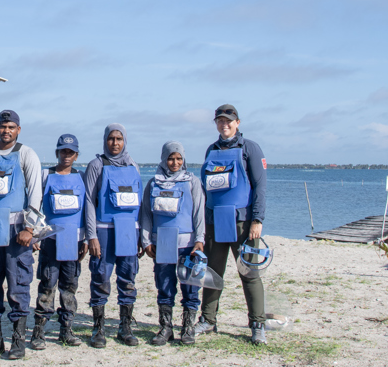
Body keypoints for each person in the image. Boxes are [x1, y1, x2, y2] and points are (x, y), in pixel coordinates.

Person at [196, 104, 269, 345]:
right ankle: (208, 320)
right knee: (212, 272)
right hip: (215, 222)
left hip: (242, 222)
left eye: (228, 120)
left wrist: (257, 219)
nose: (224, 124)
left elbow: (260, 186)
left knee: (249, 272)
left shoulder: (250, 148)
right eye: (219, 120)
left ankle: (257, 324)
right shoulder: (211, 150)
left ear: (238, 122)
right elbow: (205, 189)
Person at [0, 110, 43, 360]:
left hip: (17, 231)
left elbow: (36, 193)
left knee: (18, 285)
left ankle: (18, 340)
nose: (7, 131)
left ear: (19, 130)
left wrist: (30, 229)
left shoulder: (27, 154)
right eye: (3, 126)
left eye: (12, 127)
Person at [139, 141, 205, 346]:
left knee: (190, 287)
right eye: (170, 158)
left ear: (183, 160)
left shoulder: (192, 182)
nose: (174, 162)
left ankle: (188, 328)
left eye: (178, 158)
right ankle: (166, 327)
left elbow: (199, 213)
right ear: (163, 159)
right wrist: (146, 239)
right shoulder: (153, 183)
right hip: (163, 243)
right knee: (165, 285)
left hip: (187, 245)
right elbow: (146, 214)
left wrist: (200, 240)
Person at [83, 124, 143, 348]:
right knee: (100, 277)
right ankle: (98, 328)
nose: (115, 143)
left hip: (129, 230)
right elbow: (88, 201)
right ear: (105, 141)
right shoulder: (96, 165)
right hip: (104, 231)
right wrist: (92, 236)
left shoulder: (134, 165)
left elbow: (140, 205)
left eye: (119, 139)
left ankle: (124, 327)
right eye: (111, 139)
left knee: (128, 278)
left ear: (125, 140)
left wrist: (141, 236)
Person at [33, 133, 86, 348]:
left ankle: (66, 329)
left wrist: (84, 240)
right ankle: (39, 332)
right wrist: (36, 235)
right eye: (63, 151)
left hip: (73, 241)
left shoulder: (82, 177)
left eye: (71, 152)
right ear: (57, 152)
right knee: (47, 284)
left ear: (76, 155)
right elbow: (36, 205)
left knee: (70, 286)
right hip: (50, 240)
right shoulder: (45, 175)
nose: (67, 155)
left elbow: (85, 211)